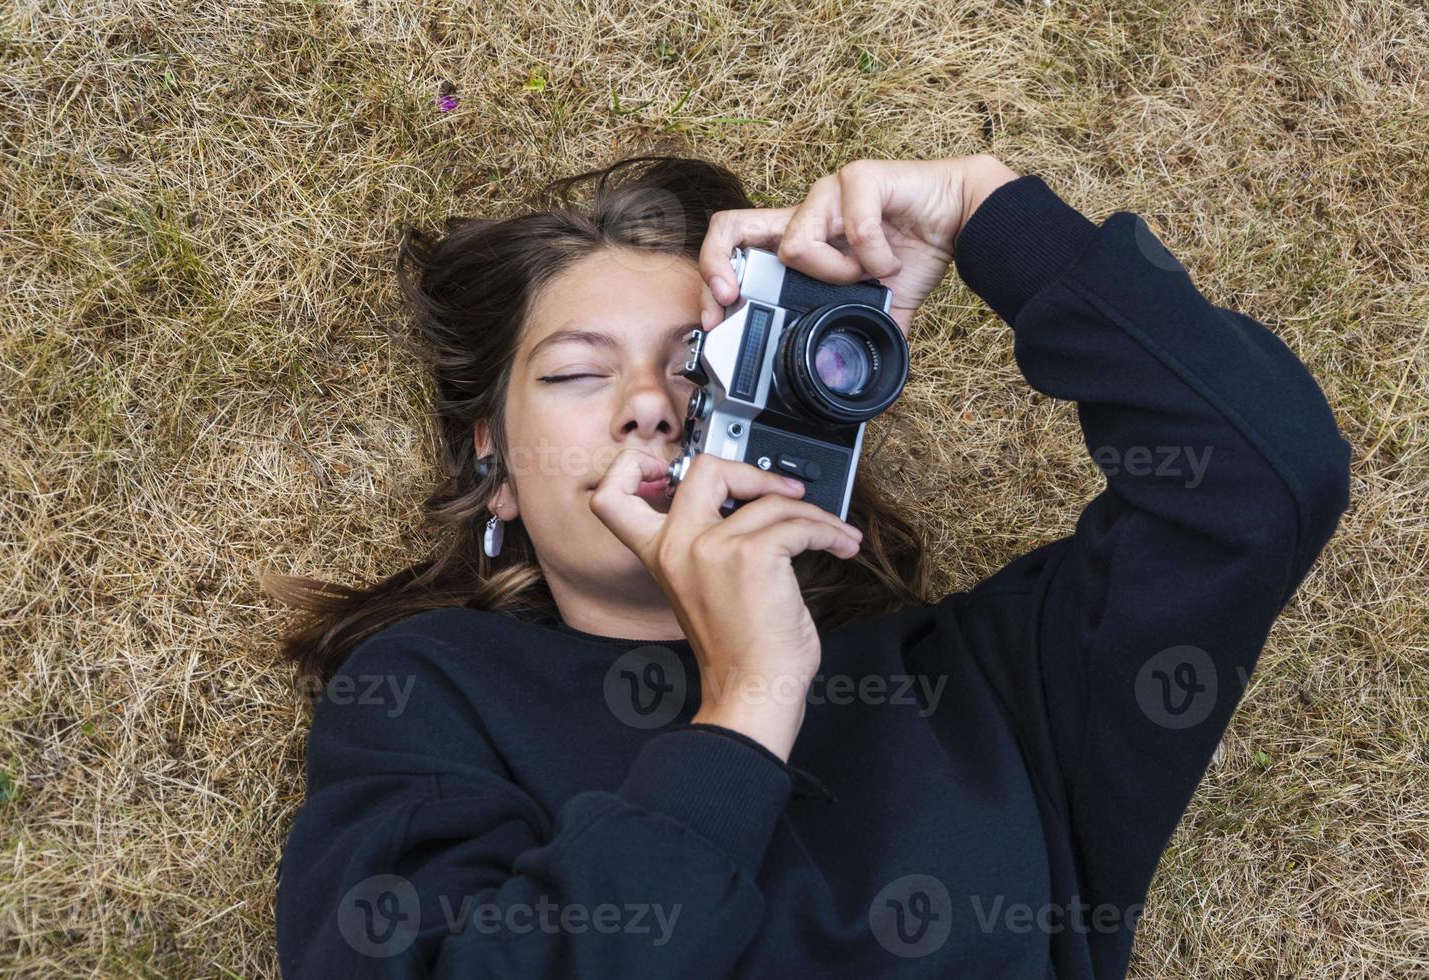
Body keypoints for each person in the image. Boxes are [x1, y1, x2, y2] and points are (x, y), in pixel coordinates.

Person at [265, 153, 1351, 978]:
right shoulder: (428, 696)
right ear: (495, 471)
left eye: (703, 361)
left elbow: (1262, 481)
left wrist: (985, 209)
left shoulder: (985, 686)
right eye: (576, 374)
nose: (653, 402)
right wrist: (744, 707)